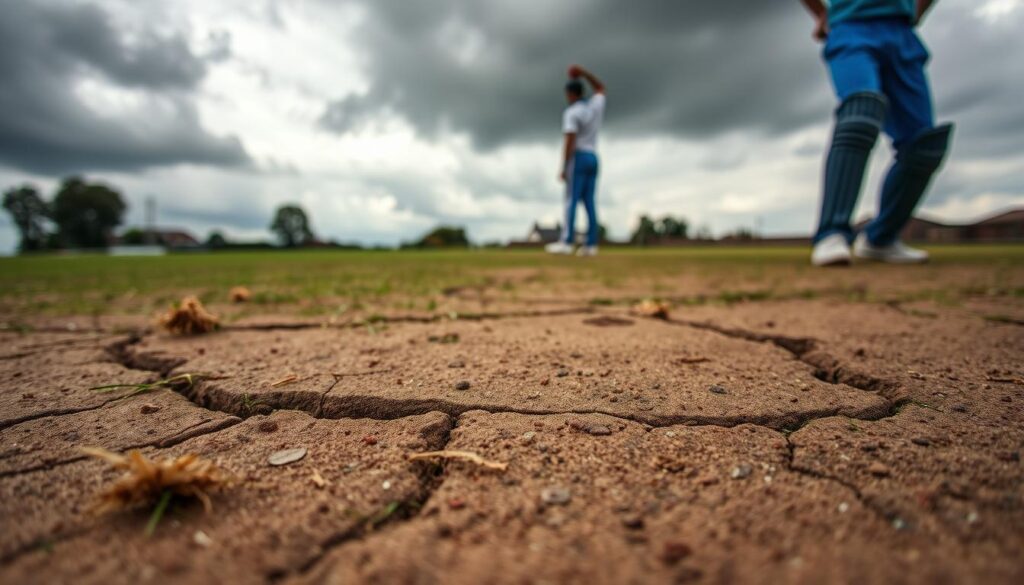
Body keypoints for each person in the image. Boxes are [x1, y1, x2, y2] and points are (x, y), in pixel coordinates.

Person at [801, 0, 954, 266]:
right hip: (850, 26)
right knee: (861, 111)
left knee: (924, 145)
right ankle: (832, 232)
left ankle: (880, 239)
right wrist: (822, 13)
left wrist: (915, 11)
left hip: (902, 33)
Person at [546, 65, 606, 257]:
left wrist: (564, 166)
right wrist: (584, 73)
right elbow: (600, 88)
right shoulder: (594, 106)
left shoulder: (571, 113)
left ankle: (567, 241)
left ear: (570, 94)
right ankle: (591, 245)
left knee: (571, 200)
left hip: (579, 157)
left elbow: (569, 140)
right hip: (594, 157)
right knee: (589, 202)